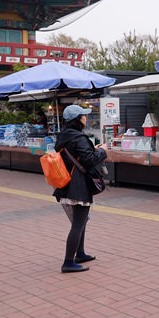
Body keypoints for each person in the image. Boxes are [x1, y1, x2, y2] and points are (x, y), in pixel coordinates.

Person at [53, 105, 108, 273]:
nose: (86, 118)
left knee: (81, 221)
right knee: (78, 224)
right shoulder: (79, 138)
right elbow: (89, 160)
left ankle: (80, 253)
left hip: (66, 184)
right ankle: (68, 262)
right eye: (83, 116)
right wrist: (102, 152)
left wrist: (93, 150)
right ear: (77, 119)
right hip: (78, 186)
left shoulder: (63, 136)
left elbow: (77, 157)